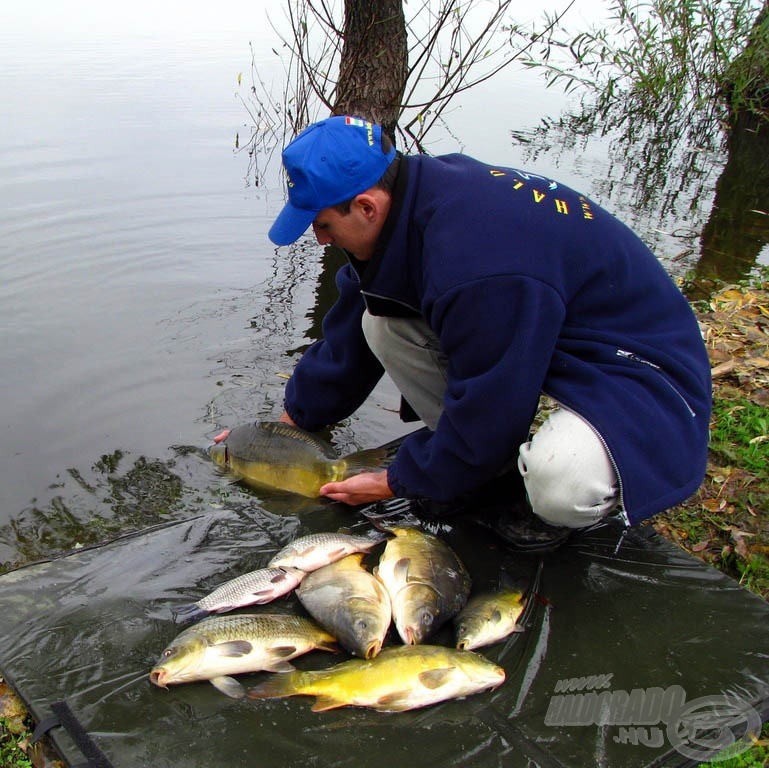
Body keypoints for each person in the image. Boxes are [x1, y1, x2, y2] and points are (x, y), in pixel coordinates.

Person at [268, 115, 712, 550]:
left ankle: (545, 490)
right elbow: (351, 326)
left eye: (323, 224)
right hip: (544, 328)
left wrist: (397, 480)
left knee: (560, 482)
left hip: (640, 370)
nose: (321, 239)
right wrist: (283, 431)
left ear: (366, 206)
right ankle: (481, 468)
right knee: (378, 322)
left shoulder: (473, 264)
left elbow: (494, 405)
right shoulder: (412, 198)